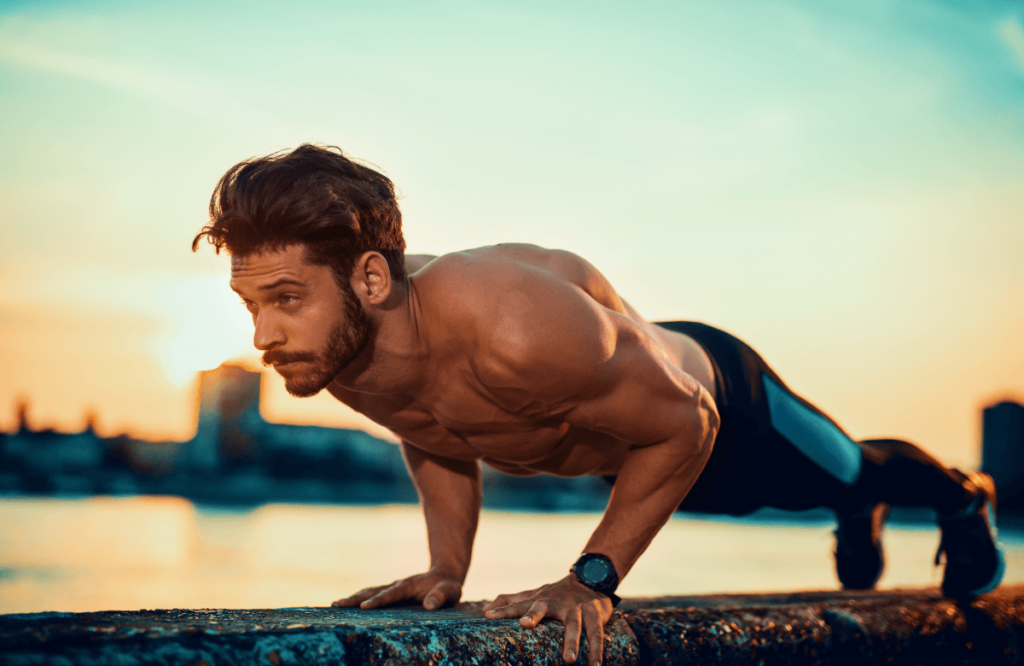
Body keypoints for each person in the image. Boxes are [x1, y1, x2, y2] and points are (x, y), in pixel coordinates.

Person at [192, 144, 1005, 666]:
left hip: (722, 400)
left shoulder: (512, 322)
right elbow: (433, 432)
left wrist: (592, 579)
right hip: (638, 457)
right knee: (825, 487)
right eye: (252, 306)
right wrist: (447, 570)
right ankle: (855, 507)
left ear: (370, 278)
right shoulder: (335, 351)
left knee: (850, 469)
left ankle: (965, 498)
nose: (263, 334)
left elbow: (690, 422)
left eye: (287, 299)